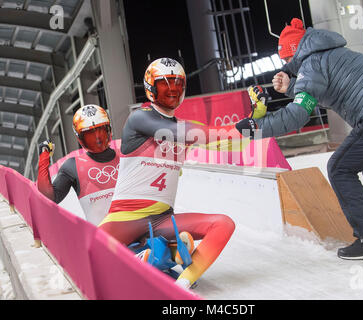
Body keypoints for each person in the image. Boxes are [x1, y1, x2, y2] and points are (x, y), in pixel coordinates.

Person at [235, 18, 363, 260]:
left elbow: (298, 115)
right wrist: (291, 88)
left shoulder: (310, 64)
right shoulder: (332, 53)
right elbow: (319, 93)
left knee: (340, 167)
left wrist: (257, 126)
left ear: (295, 52)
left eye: (287, 60)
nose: (287, 65)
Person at [98, 58, 256, 289]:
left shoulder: (186, 126)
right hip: (124, 220)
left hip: (162, 219)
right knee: (99, 265)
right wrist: (235, 130)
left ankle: (182, 281)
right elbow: (177, 131)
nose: (172, 90)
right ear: (151, 88)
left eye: (178, 84)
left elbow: (229, 144)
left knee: (223, 224)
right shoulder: (140, 118)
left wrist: (253, 122)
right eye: (165, 84)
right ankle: (164, 254)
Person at [37, 104, 120, 226]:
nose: (97, 139)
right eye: (90, 135)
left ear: (109, 130)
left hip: (141, 235)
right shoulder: (72, 166)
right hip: (104, 240)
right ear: (80, 138)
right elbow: (49, 197)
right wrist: (44, 157)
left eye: (101, 132)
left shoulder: (126, 154)